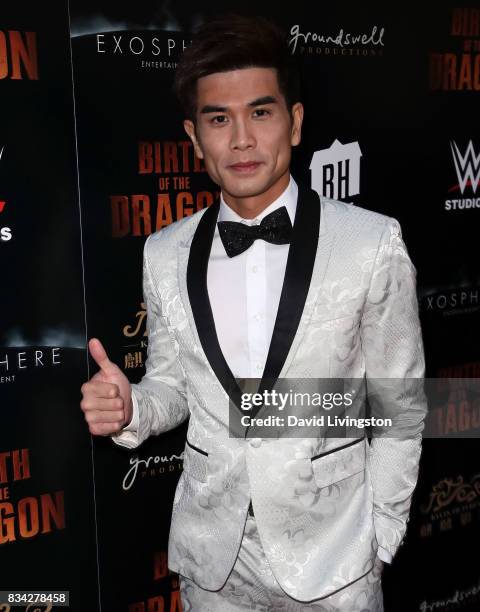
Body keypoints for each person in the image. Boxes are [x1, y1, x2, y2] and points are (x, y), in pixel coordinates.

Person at [80, 14, 427, 611]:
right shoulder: (163, 253)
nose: (241, 139)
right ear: (194, 139)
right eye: (219, 119)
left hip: (335, 564)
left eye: (260, 113)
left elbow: (402, 405)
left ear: (293, 123)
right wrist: (134, 406)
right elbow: (174, 385)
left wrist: (379, 540)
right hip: (213, 567)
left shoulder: (371, 244)